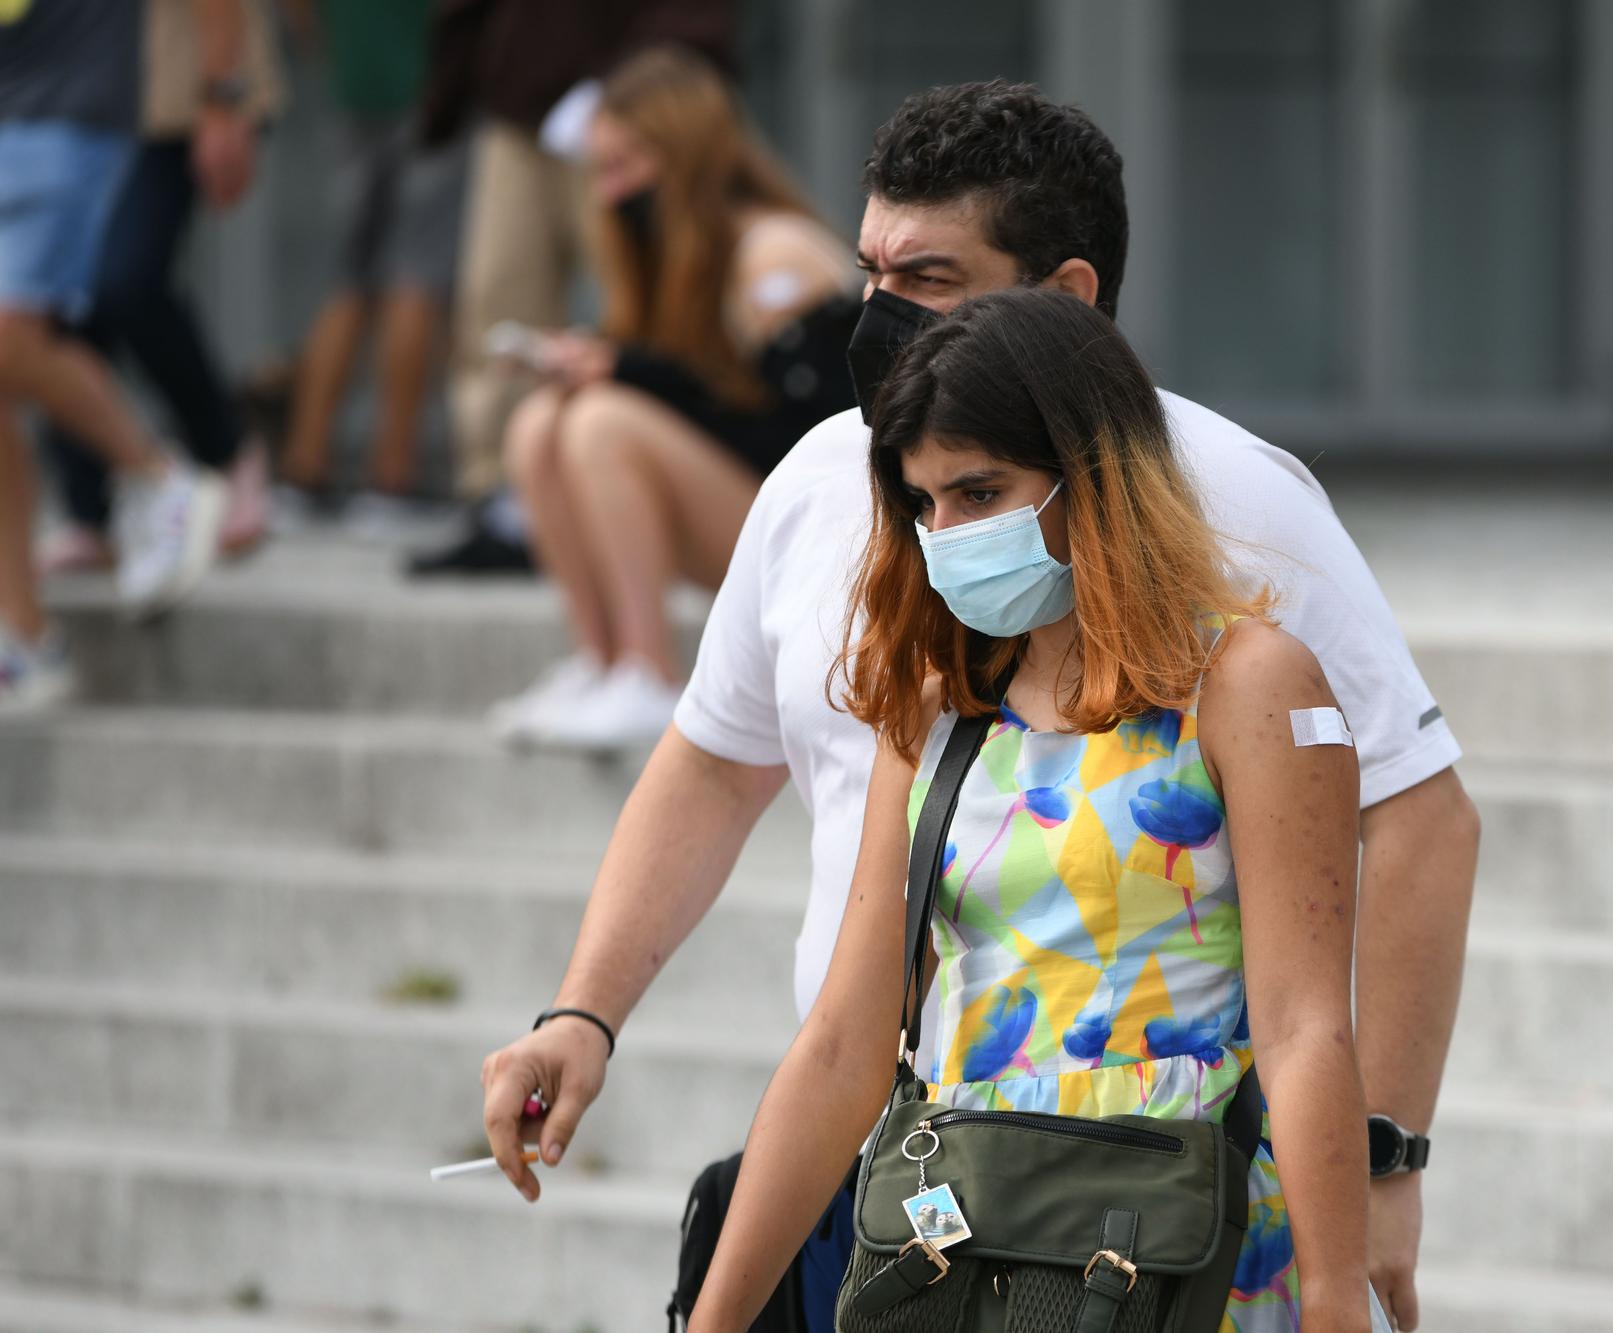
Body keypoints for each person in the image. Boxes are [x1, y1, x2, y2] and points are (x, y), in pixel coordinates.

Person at [479, 82, 1478, 1333]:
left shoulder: (1243, 540)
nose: (882, 313)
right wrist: (586, 1013)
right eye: (870, 268)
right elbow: (724, 794)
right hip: (929, 1192)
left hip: (1165, 1230)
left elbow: (1369, 906)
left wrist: (1378, 1179)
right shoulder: (887, 595)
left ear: (1062, 303)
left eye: (930, 276)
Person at [687, 288, 1389, 1333]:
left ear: (1093, 472)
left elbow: (1302, 1027)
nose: (945, 533)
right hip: (972, 1255)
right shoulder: (937, 702)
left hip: (1185, 1255)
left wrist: (1337, 1297)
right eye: (921, 503)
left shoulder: (1247, 680)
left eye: (978, 491)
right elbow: (843, 1045)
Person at [490, 47, 860, 751]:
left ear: (685, 156)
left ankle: (647, 670)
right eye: (602, 168)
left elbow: (814, 437)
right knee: (541, 421)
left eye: (627, 165)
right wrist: (619, 367)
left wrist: (630, 373)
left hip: (832, 537)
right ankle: (601, 662)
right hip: (758, 513)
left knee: (602, 421)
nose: (608, 193)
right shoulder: (679, 257)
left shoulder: (773, 252)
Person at [405, 0, 735, 577]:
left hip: (626, 103)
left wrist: (619, 97)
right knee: (499, 309)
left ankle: (639, 494)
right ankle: (504, 508)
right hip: (516, 109)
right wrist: (455, 88)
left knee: (643, 309)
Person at [1, 0, 235, 710]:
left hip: (69, 113)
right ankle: (25, 636)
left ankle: (158, 474)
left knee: (10, 332)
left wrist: (225, 96)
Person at [36, 0, 284, 574]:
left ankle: (222, 451)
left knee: (127, 280)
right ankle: (89, 509)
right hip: (70, 99)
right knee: (54, 303)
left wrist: (222, 100)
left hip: (169, 92)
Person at [275, 0, 467, 529]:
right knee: (417, 274)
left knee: (353, 278)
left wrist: (337, 47)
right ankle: (392, 479)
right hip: (431, 81)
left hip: (353, 80)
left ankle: (303, 468)